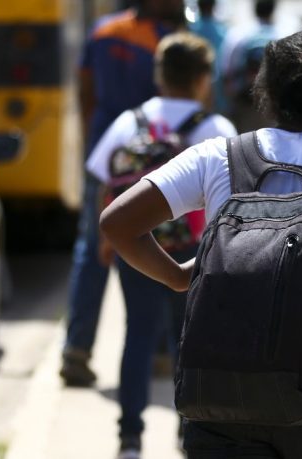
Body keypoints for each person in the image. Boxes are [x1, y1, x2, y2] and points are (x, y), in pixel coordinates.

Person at [100, 28, 302, 458]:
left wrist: (181, 277)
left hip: (217, 395)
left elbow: (118, 222)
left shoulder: (216, 156)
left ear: (266, 90)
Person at [86, 33, 237, 459]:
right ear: (203, 78)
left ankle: (129, 438)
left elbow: (106, 183)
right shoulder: (215, 129)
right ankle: (188, 432)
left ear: (159, 76)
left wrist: (106, 239)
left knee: (137, 335)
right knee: (188, 342)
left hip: (136, 248)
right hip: (194, 252)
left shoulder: (129, 121)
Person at [61, 0, 185, 387]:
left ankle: (77, 349)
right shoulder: (164, 40)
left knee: (91, 250)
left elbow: (84, 93)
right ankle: (161, 353)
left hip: (103, 156)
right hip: (148, 162)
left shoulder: (102, 30)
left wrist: (92, 146)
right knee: (162, 243)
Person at [222, 0, 278, 132]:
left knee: (242, 144)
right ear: (273, 11)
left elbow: (226, 69)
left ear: (254, 10)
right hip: (270, 102)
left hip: (243, 99)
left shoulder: (238, 34)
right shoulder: (281, 35)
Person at [189, 0, 228, 112]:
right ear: (213, 6)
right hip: (218, 90)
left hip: (194, 86)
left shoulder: (190, 29)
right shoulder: (222, 31)